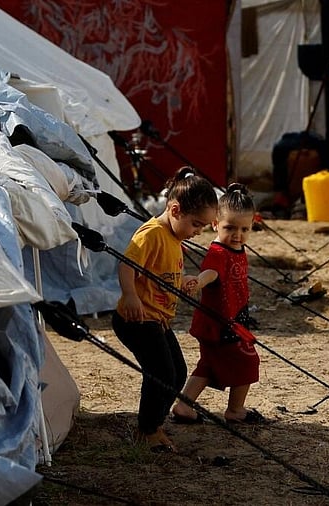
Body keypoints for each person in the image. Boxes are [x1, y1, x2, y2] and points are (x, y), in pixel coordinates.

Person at [111, 166, 218, 453]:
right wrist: (130, 295)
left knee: (177, 373)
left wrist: (182, 282)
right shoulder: (152, 234)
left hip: (158, 320)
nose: (198, 232)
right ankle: (147, 430)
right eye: (196, 224)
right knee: (160, 373)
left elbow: (161, 272)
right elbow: (126, 265)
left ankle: (154, 423)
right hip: (136, 319)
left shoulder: (174, 238)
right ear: (175, 210)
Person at [170, 183, 265, 425]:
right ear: (215, 224)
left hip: (226, 320)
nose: (237, 234)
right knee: (247, 361)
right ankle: (235, 410)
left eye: (244, 229)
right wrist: (199, 282)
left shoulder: (237, 248)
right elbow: (211, 272)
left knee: (208, 365)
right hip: (221, 325)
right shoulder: (219, 252)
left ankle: (184, 405)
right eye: (230, 228)